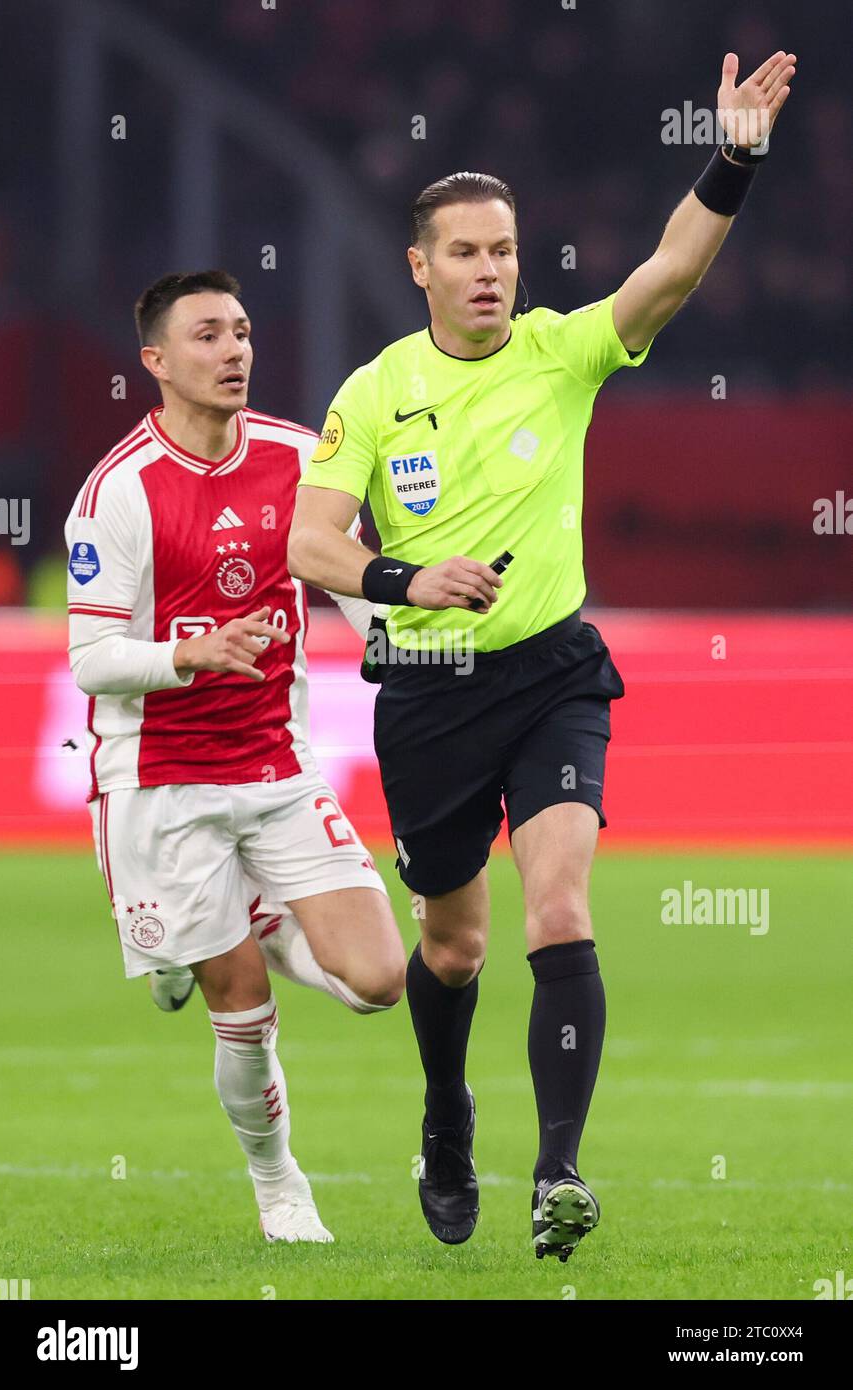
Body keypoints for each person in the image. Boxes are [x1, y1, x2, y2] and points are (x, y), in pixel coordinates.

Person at [287, 52, 797, 1261]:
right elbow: (312, 541)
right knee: (452, 944)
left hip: (553, 674)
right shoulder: (374, 393)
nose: (488, 272)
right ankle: (446, 1117)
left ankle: (557, 1172)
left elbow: (668, 272)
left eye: (502, 251)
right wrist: (408, 580)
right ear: (419, 267)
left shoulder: (561, 354)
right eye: (463, 253)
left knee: (557, 906)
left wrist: (731, 154)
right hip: (425, 693)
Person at [64, 270, 406, 1245]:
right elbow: (90, 661)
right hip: (160, 785)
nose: (233, 350)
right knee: (242, 1007)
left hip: (277, 770)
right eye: (208, 334)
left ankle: (231, 917)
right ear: (157, 362)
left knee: (381, 980)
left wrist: (393, 634)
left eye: (243, 330)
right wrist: (188, 652)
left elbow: (349, 578)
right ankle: (277, 1184)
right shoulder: (117, 492)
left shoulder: (302, 458)